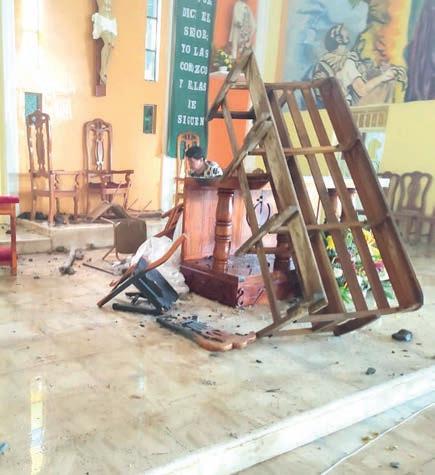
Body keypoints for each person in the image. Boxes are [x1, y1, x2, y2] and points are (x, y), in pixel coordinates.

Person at [312, 24, 398, 105]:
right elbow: (362, 90)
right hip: (348, 109)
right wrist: (384, 77)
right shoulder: (347, 62)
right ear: (338, 39)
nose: (347, 30)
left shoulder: (329, 60)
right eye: (343, 29)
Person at [92, 0, 117, 85]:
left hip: (111, 20)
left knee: (111, 45)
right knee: (108, 42)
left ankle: (105, 71)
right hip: (103, 18)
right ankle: (102, 72)